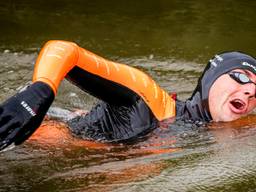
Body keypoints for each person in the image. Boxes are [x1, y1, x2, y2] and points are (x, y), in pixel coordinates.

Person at [0, 40, 255, 150]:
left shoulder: (225, 132)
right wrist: (38, 93)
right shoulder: (150, 99)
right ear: (211, 78)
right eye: (242, 77)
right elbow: (64, 50)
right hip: (25, 136)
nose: (250, 90)